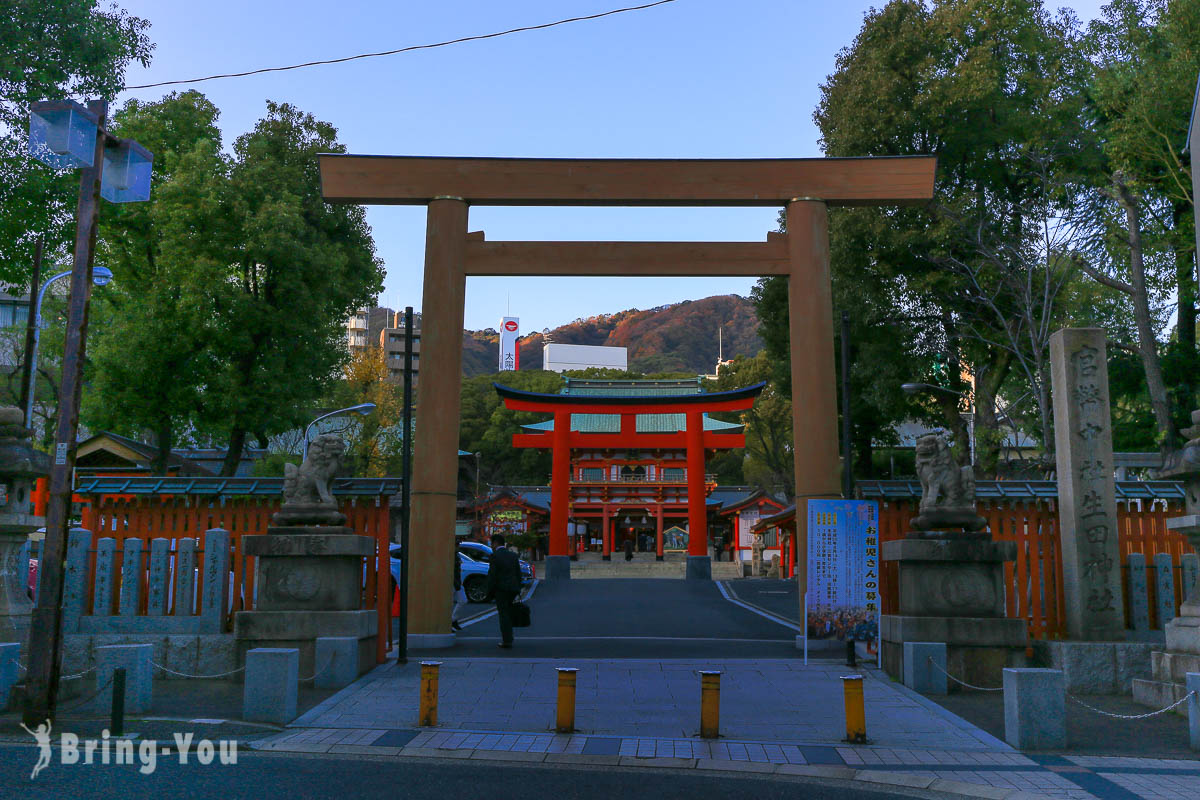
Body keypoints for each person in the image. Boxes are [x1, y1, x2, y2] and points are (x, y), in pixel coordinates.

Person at [485, 534, 522, 648]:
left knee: (503, 614)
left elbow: (492, 575)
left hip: (501, 589)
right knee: (508, 613)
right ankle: (509, 637)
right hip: (513, 588)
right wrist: (518, 588)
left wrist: (489, 592)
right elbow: (518, 574)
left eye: (491, 543)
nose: (491, 546)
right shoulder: (513, 555)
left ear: (495, 543)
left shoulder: (495, 556)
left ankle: (507, 640)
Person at [451, 550, 464, 632]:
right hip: (453, 582)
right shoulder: (452, 555)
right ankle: (451, 621)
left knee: (463, 600)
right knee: (450, 603)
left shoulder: (457, 554)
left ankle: (453, 619)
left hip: (457, 582)